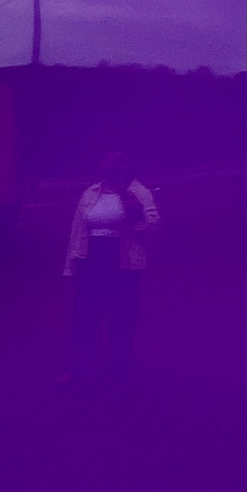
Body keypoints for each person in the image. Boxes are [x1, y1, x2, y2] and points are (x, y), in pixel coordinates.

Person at [63, 153, 158, 382]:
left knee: (121, 319)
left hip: (122, 264)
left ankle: (120, 373)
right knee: (86, 318)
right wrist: (70, 267)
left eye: (118, 170)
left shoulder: (137, 192)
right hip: (91, 261)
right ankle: (83, 371)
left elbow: (153, 226)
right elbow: (77, 231)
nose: (113, 174)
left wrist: (137, 220)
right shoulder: (91, 193)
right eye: (109, 170)